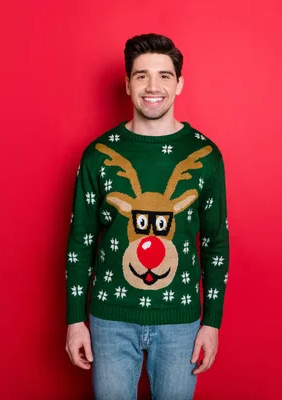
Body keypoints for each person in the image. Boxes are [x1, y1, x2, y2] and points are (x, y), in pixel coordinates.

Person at [64, 33, 230, 400]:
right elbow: (81, 241)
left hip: (180, 322)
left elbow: (216, 243)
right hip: (110, 320)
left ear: (179, 83)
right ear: (127, 83)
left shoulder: (205, 156)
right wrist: (76, 321)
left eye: (164, 75)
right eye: (141, 75)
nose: (153, 86)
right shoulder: (98, 154)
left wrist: (212, 322)